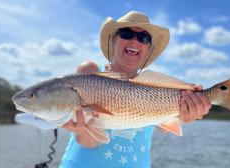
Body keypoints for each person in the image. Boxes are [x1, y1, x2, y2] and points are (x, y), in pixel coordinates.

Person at [60, 11, 211, 168]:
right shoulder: (90, 71)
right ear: (113, 40)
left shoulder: (156, 88)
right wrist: (82, 130)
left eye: (143, 38)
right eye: (126, 33)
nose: (134, 41)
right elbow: (88, 142)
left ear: (148, 49)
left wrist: (187, 114)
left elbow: (166, 128)